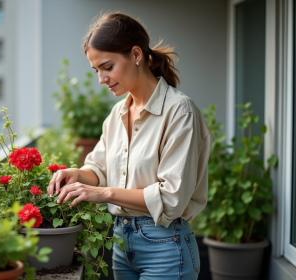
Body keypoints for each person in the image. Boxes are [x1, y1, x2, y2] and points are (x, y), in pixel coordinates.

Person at [47, 12, 211, 280]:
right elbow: (98, 170)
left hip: (166, 248)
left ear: (136, 55)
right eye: (96, 70)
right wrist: (76, 175)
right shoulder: (117, 113)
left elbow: (171, 198)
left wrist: (105, 194)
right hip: (123, 245)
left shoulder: (180, 112)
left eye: (107, 67)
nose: (101, 79)